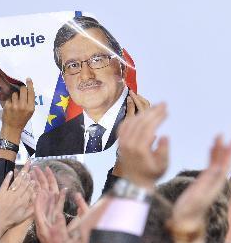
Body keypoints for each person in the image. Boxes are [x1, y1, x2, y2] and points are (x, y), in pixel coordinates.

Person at [36, 16, 147, 157]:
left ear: (122, 65)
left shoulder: (149, 119)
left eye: (97, 60)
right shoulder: (49, 143)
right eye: (73, 65)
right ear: (64, 78)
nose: (86, 75)